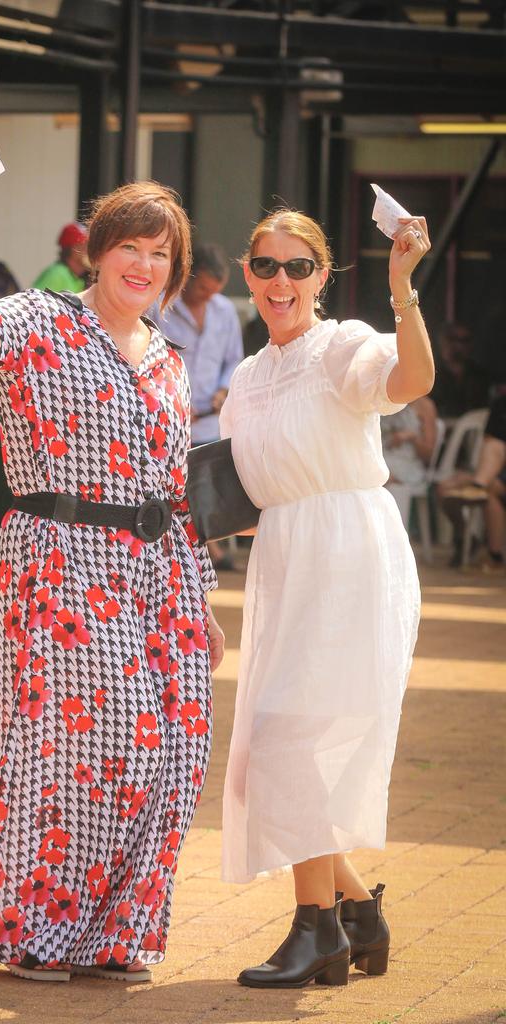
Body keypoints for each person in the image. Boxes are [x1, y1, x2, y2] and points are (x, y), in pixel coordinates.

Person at [0, 166, 225, 983]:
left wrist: (205, 600)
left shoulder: (168, 357)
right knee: (104, 750)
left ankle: (115, 935)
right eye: (130, 247)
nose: (144, 266)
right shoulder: (43, 321)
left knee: (178, 755)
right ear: (98, 252)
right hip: (67, 561)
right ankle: (37, 931)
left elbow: (175, 488)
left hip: (164, 576)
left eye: (160, 253)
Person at [220, 207, 434, 988]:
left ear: (322, 275)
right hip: (283, 558)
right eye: (267, 267)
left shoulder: (342, 343)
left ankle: (318, 933)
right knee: (265, 757)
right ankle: (355, 912)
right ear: (249, 274)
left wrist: (401, 290)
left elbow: (411, 382)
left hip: (349, 550)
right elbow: (247, 492)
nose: (282, 282)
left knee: (286, 741)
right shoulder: (246, 377)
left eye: (298, 267)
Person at [149, 243, 244, 570]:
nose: (208, 296)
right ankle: (204, 553)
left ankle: (207, 550)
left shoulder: (224, 311)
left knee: (208, 483)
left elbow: (234, 358)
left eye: (214, 291)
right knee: (174, 485)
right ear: (188, 279)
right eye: (202, 288)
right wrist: (167, 400)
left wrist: (223, 389)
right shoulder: (159, 308)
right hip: (168, 414)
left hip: (209, 416)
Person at [437, 393, 506, 572]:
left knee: (487, 487)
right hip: (495, 472)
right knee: (445, 488)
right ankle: (474, 542)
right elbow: (488, 444)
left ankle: (477, 485)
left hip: (492, 475)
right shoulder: (500, 404)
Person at [381, 394, 439, 528]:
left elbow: (429, 454)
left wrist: (412, 437)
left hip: (409, 464)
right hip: (383, 457)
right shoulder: (382, 399)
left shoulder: (425, 405)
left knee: (378, 475)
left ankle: (392, 532)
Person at [431, 322, 489, 419]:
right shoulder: (430, 372)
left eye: (464, 340)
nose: (458, 345)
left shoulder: (478, 375)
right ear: (441, 340)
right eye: (452, 339)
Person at [32, 222, 89, 293]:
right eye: (84, 246)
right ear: (73, 249)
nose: (88, 251)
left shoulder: (77, 278)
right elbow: (34, 301)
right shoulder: (57, 274)